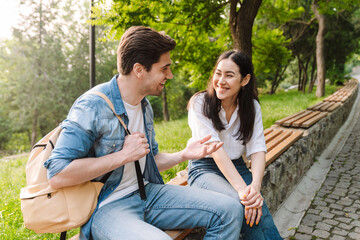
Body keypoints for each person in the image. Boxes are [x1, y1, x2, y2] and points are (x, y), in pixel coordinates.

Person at [44, 26, 243, 240]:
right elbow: (57, 174)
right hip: (108, 207)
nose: (170, 75)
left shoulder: (144, 105)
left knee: (229, 209)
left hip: (147, 194)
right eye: (164, 68)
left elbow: (148, 161)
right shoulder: (92, 106)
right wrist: (122, 156)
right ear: (139, 70)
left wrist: (184, 154)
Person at [187, 50, 282, 239]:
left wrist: (255, 186)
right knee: (243, 204)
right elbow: (216, 151)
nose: (221, 81)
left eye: (229, 75)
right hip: (204, 169)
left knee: (258, 208)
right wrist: (243, 192)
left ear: (245, 80)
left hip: (237, 166)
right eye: (218, 73)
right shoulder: (200, 103)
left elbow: (257, 149)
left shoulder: (251, 107)